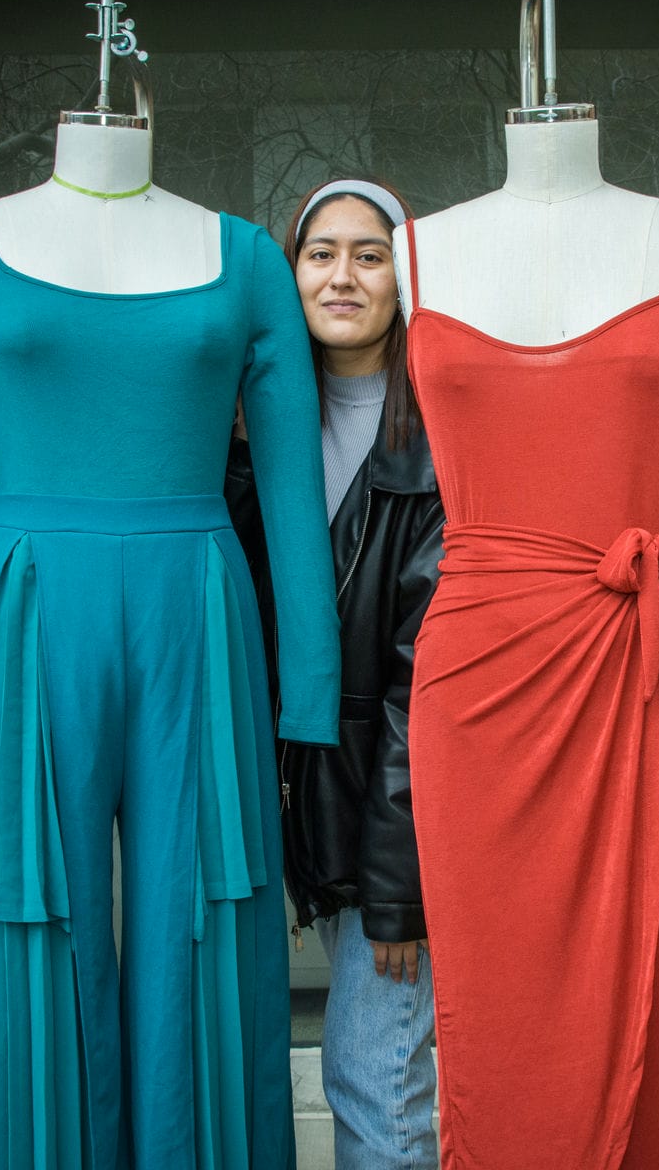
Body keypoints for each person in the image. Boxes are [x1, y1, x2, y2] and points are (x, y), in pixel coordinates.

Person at [226, 176, 443, 1169]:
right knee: (236, 1064)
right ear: (289, 268)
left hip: (388, 805)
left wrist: (398, 884)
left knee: (370, 1067)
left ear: (408, 275)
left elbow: (424, 683)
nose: (344, 275)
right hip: (261, 793)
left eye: (371, 252)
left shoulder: (444, 439)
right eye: (322, 252)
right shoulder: (237, 428)